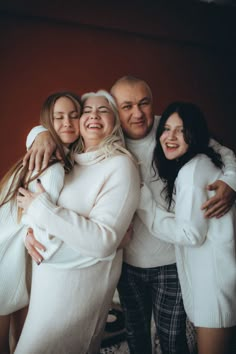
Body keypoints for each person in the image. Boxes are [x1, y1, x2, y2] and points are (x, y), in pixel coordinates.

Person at [22, 76, 236, 354]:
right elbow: (62, 123)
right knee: (137, 338)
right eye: (127, 106)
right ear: (117, 112)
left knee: (173, 341)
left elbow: (222, 151)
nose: (137, 113)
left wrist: (232, 181)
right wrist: (40, 133)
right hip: (129, 263)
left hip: (168, 260)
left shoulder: (168, 128)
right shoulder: (100, 140)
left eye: (144, 103)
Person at [15, 90, 140, 354]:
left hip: (80, 291)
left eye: (103, 110)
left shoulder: (120, 165)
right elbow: (39, 213)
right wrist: (31, 232)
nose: (93, 115)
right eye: (87, 110)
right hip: (47, 285)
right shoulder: (68, 158)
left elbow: (103, 241)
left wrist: (42, 212)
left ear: (115, 121)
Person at [137, 101, 236, 354]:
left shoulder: (192, 172)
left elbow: (189, 233)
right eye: (167, 129)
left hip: (213, 287)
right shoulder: (201, 164)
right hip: (215, 281)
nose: (170, 137)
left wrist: (145, 203)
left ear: (195, 135)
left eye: (181, 131)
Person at [0, 91, 81, 354]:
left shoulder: (54, 154)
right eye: (59, 118)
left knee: (17, 331)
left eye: (73, 115)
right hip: (8, 247)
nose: (67, 122)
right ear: (48, 123)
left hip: (15, 247)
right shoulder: (53, 163)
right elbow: (44, 216)